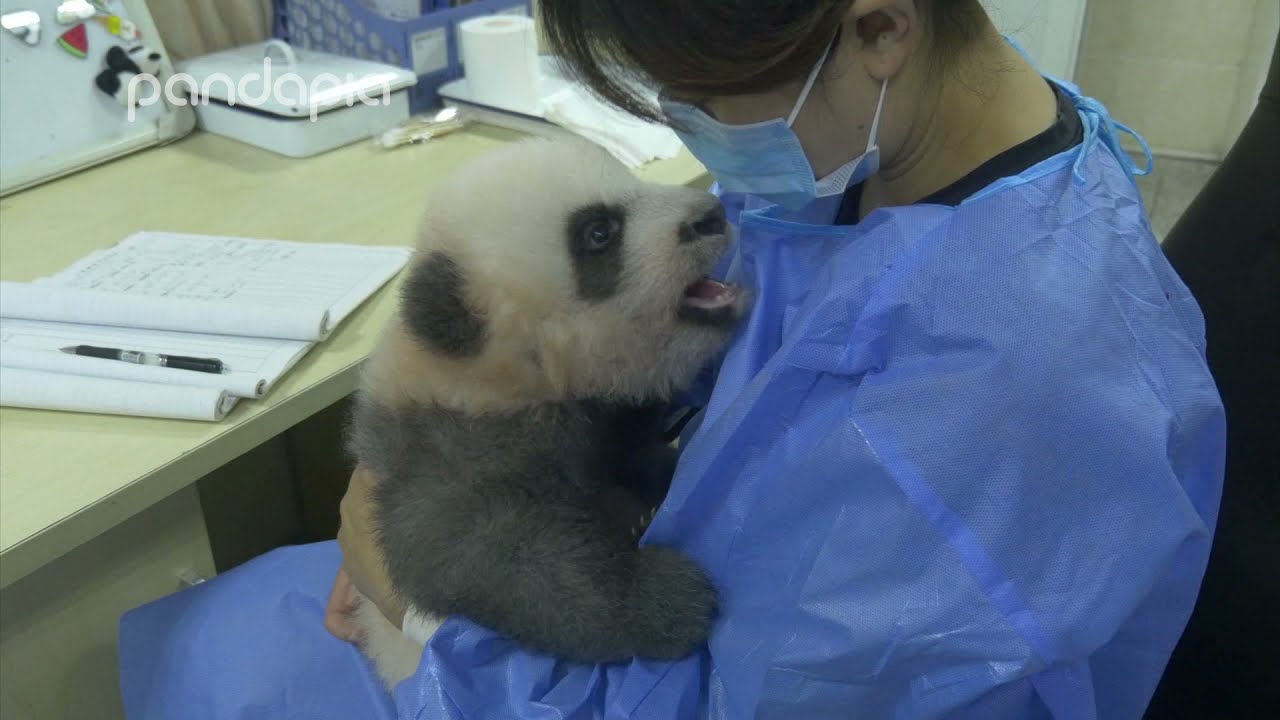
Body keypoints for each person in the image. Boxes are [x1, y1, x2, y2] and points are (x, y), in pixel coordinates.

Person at [117, 1, 1226, 718]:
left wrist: (410, 601)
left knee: (209, 661)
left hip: (635, 679)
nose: (694, 143)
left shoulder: (994, 391)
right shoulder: (902, 133)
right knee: (217, 631)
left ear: (879, 29)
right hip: (636, 603)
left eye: (696, 99)